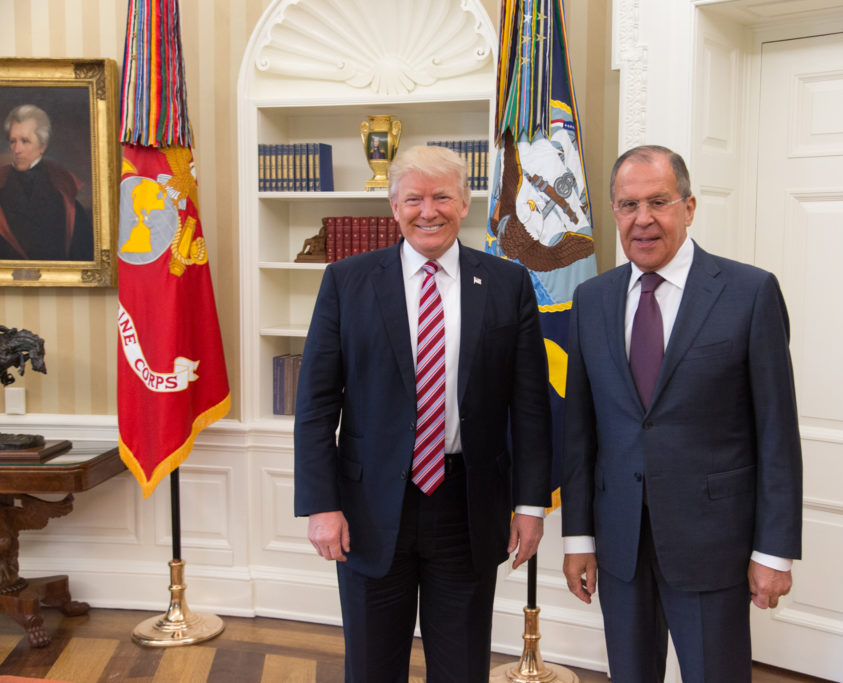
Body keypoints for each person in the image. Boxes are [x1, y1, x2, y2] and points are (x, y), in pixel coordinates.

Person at [294, 144, 552, 682]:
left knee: (461, 668)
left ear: (464, 204)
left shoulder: (508, 284)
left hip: (468, 506)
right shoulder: (346, 281)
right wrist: (321, 504)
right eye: (414, 198)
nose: (427, 210)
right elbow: (316, 405)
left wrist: (530, 504)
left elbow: (529, 406)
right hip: (368, 510)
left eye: (441, 197)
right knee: (371, 667)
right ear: (395, 208)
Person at [560, 145, 803, 682]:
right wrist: (579, 539)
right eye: (627, 205)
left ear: (689, 207)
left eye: (658, 202)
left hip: (712, 544)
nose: (642, 219)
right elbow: (579, 433)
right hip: (621, 543)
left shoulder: (749, 292)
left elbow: (777, 435)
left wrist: (775, 551)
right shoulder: (592, 300)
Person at [0, 104, 93, 261]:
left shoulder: (64, 196)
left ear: (42, 146)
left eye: (25, 141)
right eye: (12, 141)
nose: (16, 150)